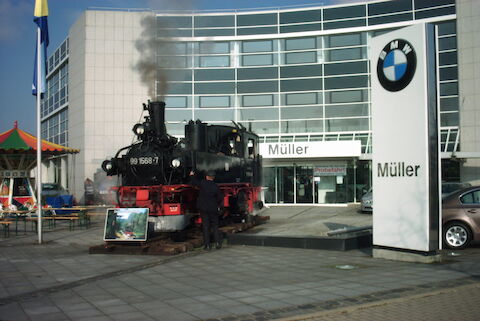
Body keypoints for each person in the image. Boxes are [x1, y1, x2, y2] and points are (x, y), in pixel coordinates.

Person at [190, 169, 223, 250]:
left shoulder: (203, 183)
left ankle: (207, 245)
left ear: (207, 176)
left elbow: (194, 182)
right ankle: (218, 243)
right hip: (213, 208)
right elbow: (220, 198)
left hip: (204, 208)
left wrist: (191, 175)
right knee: (215, 226)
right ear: (213, 177)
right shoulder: (216, 186)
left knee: (205, 226)